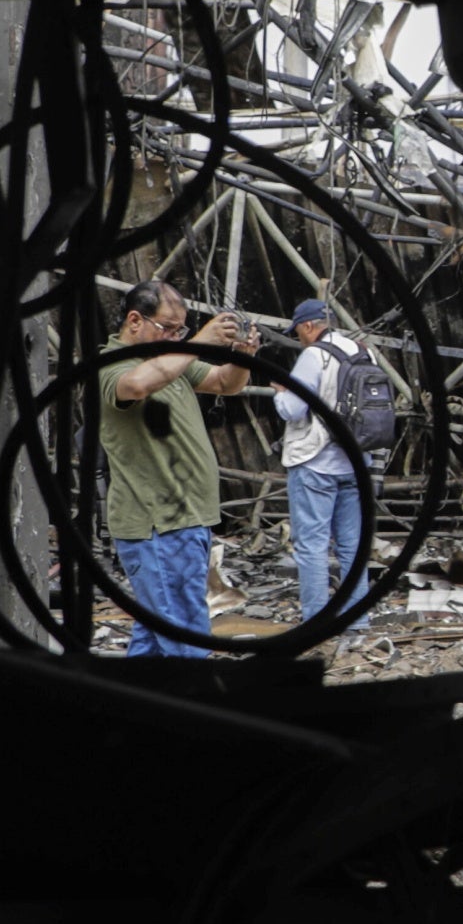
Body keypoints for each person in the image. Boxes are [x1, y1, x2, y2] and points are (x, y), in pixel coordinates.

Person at [98, 275, 249, 656]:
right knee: (185, 638)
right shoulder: (112, 364)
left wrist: (242, 355)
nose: (176, 337)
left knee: (154, 637)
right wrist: (198, 342)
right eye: (167, 328)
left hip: (186, 520)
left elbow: (223, 382)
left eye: (180, 330)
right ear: (135, 321)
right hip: (159, 524)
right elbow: (134, 387)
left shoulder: (170, 360)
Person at [272, 292, 385, 626]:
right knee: (353, 546)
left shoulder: (314, 356)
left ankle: (316, 623)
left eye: (298, 332)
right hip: (356, 463)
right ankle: (357, 623)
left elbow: (294, 409)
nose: (298, 338)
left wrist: (279, 393)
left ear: (308, 326)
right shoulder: (365, 352)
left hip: (316, 463)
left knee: (312, 547)